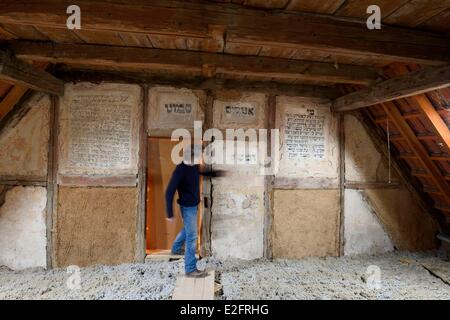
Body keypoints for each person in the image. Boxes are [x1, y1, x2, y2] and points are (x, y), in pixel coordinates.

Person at [165, 144, 225, 278]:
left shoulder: (193, 166)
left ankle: (176, 249)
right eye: (197, 157)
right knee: (192, 236)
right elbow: (169, 192)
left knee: (188, 229)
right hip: (187, 207)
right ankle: (190, 269)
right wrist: (169, 213)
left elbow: (200, 172)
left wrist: (215, 173)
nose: (199, 160)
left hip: (193, 205)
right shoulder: (180, 170)